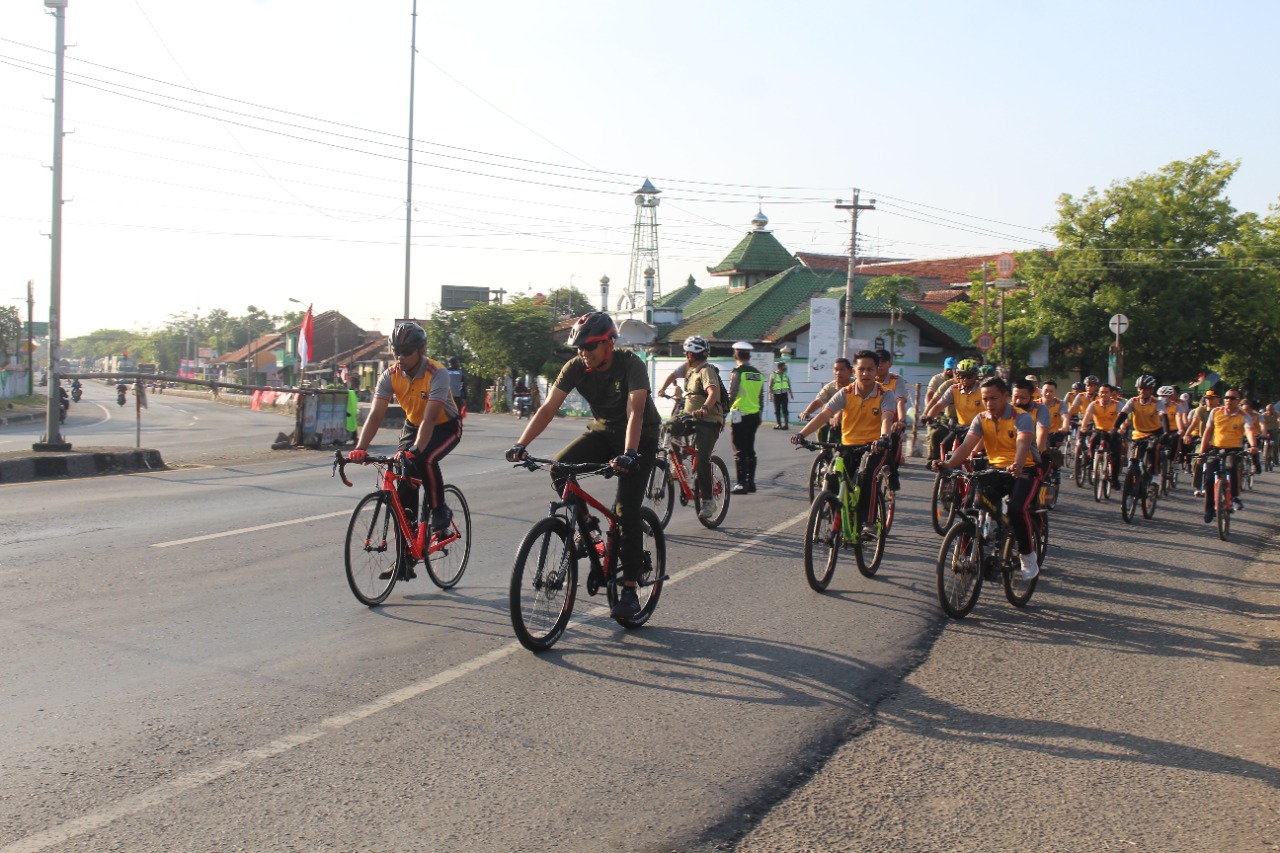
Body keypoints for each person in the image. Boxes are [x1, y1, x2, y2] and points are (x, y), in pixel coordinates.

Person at [505, 312, 660, 621]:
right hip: (603, 432)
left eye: (590, 347)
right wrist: (522, 445)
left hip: (639, 439)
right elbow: (549, 407)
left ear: (609, 343)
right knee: (559, 469)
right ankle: (588, 530)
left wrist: (629, 453)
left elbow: (635, 414)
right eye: (579, 348)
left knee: (625, 511)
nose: (583, 354)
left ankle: (629, 589)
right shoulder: (577, 367)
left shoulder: (631, 365)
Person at [350, 322, 463, 557]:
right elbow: (375, 415)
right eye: (396, 351)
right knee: (403, 487)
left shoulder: (437, 373)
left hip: (445, 425)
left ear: (420, 351)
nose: (400, 357)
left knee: (424, 459)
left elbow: (430, 420)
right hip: (413, 425)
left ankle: (440, 509)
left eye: (407, 352)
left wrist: (416, 452)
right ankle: (405, 557)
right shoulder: (389, 376)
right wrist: (360, 447)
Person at [933, 376, 1042, 581]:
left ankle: (1028, 556)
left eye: (993, 398)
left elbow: (1023, 443)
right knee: (971, 507)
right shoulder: (981, 419)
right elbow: (966, 447)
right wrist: (947, 464)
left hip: (1025, 470)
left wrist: (1018, 464)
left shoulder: (1021, 417)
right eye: (985, 399)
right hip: (996, 469)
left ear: (1006, 396)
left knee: (1017, 509)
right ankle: (972, 552)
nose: (989, 404)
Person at [792, 350, 895, 534]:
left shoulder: (885, 394)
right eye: (861, 369)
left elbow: (887, 418)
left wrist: (884, 438)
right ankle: (837, 517)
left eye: (870, 369)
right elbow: (825, 414)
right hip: (848, 445)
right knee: (832, 476)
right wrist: (802, 434)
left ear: (876, 371)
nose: (865, 373)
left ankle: (868, 522)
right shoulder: (845, 393)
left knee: (866, 476)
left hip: (874, 447)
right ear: (854, 370)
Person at [678, 336, 725, 517]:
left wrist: (705, 408)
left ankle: (708, 501)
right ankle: (676, 463)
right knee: (667, 430)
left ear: (690, 354)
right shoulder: (691, 372)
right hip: (691, 419)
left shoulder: (706, 370)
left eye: (686, 353)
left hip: (708, 420)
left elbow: (712, 392)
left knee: (702, 456)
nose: (686, 356)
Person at [1199, 388, 1257, 522]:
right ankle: (1209, 509)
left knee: (1231, 467)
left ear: (1238, 401)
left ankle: (1235, 497)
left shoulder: (1243, 415)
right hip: (1216, 448)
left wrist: (1253, 445)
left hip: (1234, 449)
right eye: (1226, 397)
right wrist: (1202, 452)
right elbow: (1208, 432)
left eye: (1232, 398)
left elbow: (1249, 430)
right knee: (1208, 478)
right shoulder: (1215, 412)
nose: (1228, 400)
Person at [923, 358, 984, 462]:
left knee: (976, 458)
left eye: (969, 376)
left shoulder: (982, 390)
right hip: (960, 428)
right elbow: (939, 405)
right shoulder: (953, 389)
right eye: (962, 375)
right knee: (943, 442)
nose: (965, 379)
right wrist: (928, 416)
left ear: (975, 375)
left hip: (980, 429)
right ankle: (938, 465)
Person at [727, 341, 764, 494]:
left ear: (736, 354)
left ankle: (741, 483)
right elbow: (761, 397)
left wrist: (723, 410)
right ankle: (751, 482)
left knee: (739, 449)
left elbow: (732, 393)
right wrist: (760, 414)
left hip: (740, 414)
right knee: (750, 449)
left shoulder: (738, 372)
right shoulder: (758, 373)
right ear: (749, 355)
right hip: (754, 415)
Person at [874, 349, 907, 491]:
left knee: (891, 441)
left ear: (890, 363)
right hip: (871, 422)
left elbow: (900, 401)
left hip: (891, 422)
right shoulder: (867, 378)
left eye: (883, 361)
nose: (879, 365)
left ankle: (892, 474)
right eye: (877, 362)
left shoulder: (896, 380)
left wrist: (901, 421)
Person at [798, 358, 852, 445]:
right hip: (832, 420)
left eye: (842, 369)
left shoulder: (856, 385)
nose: (838, 372)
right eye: (836, 369)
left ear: (850, 371)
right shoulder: (830, 387)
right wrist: (806, 412)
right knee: (822, 429)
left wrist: (841, 412)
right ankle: (824, 452)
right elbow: (818, 401)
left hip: (852, 423)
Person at [1080, 383, 1123, 489]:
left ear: (1110, 394)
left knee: (1116, 456)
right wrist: (1084, 427)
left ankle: (1114, 479)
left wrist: (1122, 427)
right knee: (1091, 442)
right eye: (1101, 392)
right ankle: (1091, 462)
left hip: (1112, 432)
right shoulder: (1094, 404)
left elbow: (1123, 418)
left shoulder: (1116, 404)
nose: (1103, 395)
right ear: (1099, 393)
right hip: (1099, 431)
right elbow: (1087, 417)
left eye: (1106, 392)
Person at [769, 361, 794, 430]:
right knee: (777, 410)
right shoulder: (773, 375)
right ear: (779, 367)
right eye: (783, 366)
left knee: (785, 409)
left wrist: (791, 394)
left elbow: (788, 385)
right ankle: (778, 424)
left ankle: (786, 425)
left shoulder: (785, 375)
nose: (785, 367)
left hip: (784, 394)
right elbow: (770, 385)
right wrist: (770, 395)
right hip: (776, 395)